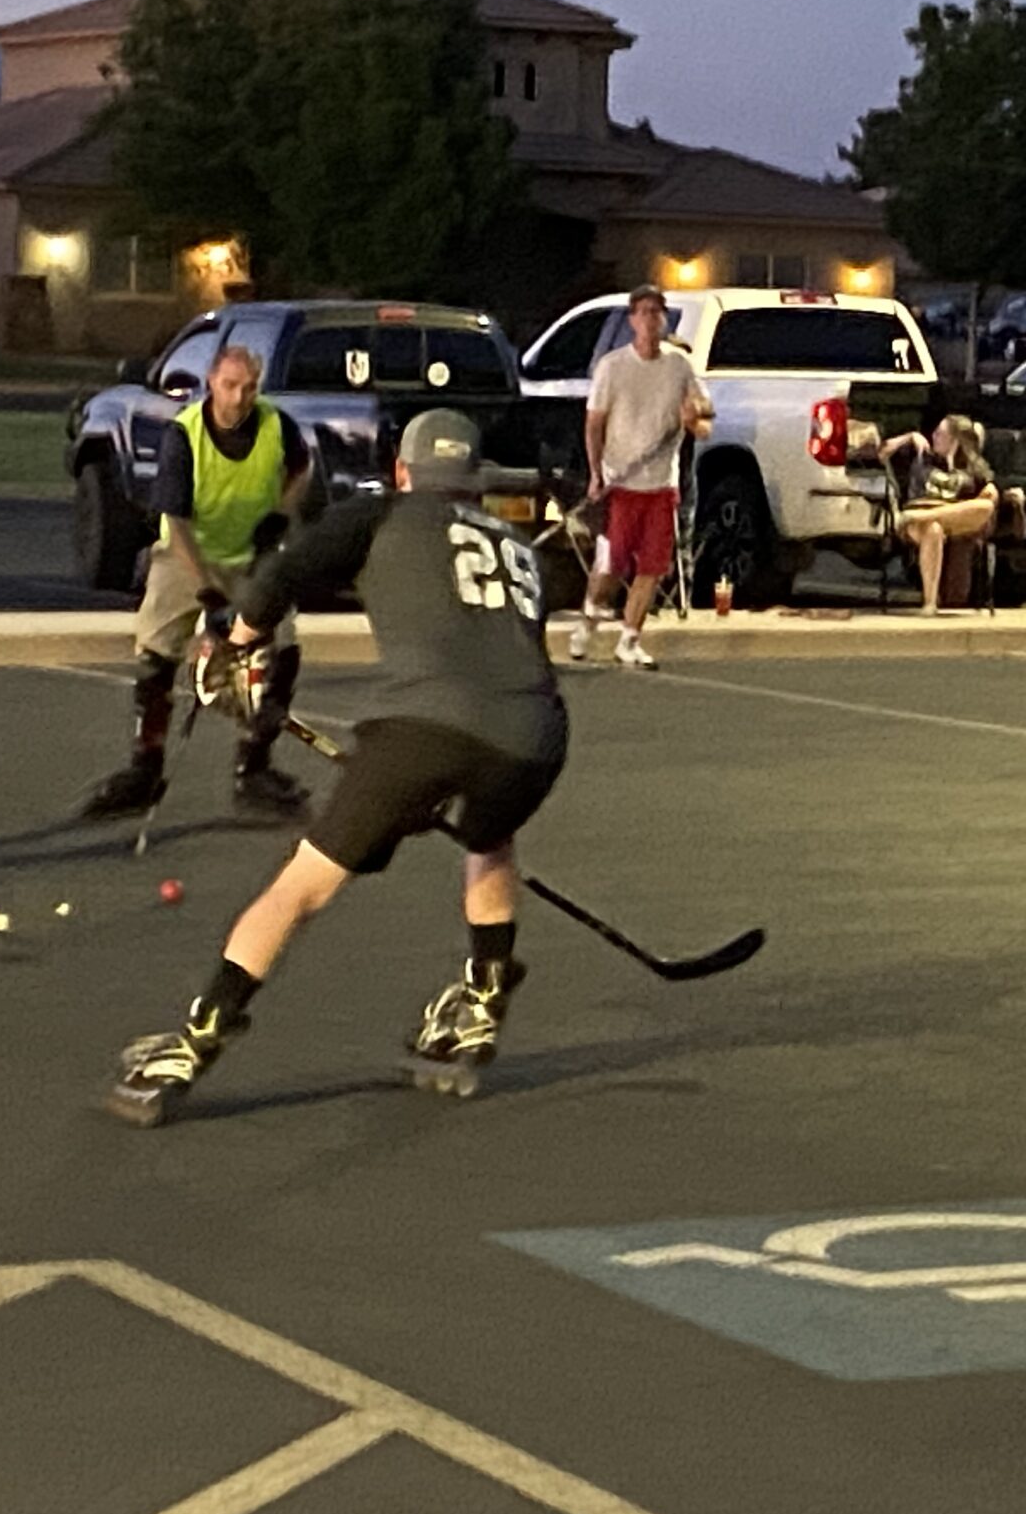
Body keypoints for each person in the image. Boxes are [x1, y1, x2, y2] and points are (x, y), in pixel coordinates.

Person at [106, 408, 570, 1126]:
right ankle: (481, 999)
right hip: (536, 736)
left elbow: (280, 577)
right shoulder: (520, 546)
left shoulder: (382, 513)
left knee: (301, 886)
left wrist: (237, 646)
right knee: (489, 840)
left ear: (403, 471)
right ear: (473, 483)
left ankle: (193, 1043)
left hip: (423, 731)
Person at [81, 344, 312, 819]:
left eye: (250, 387)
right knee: (156, 655)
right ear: (211, 383)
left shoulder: (276, 425)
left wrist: (281, 515)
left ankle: (255, 769)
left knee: (282, 652)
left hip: (250, 555)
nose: (240, 398)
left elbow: (302, 469)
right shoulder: (183, 436)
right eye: (230, 386)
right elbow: (177, 521)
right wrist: (208, 594)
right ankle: (144, 769)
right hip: (188, 555)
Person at [572, 286, 712, 670]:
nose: (651, 320)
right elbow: (594, 424)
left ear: (665, 319)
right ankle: (589, 617)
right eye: (643, 312)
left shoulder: (679, 366)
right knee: (611, 566)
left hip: (660, 485)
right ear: (632, 320)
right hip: (621, 482)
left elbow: (704, 415)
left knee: (652, 567)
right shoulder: (613, 367)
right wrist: (596, 473)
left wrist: (695, 414)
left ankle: (630, 639)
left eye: (657, 312)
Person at [882, 414, 999, 615]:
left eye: (940, 433)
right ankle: (930, 603)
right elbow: (881, 452)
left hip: (947, 518)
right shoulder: (921, 455)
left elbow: (989, 498)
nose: (934, 436)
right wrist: (909, 437)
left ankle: (925, 517)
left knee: (985, 506)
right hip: (919, 514)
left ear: (954, 440)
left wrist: (998, 494)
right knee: (933, 529)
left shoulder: (971, 469)